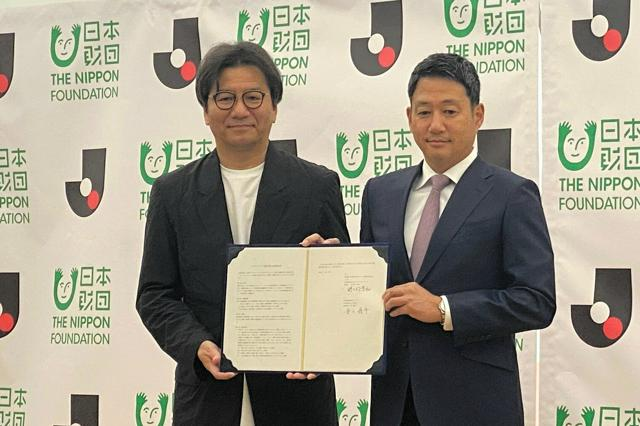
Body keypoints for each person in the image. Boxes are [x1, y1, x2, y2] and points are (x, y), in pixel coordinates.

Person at [136, 41, 348, 426]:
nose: (239, 110)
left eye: (253, 97)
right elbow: (154, 294)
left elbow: (343, 292)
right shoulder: (172, 193)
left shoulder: (317, 186)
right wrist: (196, 345)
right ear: (206, 111)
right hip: (207, 399)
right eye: (225, 98)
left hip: (297, 400)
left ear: (274, 107)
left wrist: (332, 267)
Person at [360, 53, 556, 425]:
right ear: (409, 117)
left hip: (476, 403)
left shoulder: (512, 195)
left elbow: (536, 300)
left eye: (450, 111)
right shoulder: (379, 193)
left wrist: (444, 309)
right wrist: (326, 269)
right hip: (395, 403)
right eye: (424, 112)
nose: (436, 124)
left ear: (477, 115)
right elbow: (369, 287)